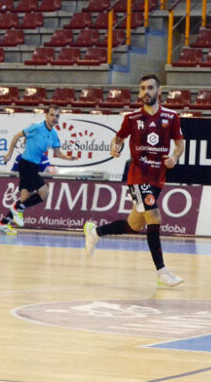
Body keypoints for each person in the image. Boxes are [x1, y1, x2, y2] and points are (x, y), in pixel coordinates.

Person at [83, 73, 185, 287]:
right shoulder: (131, 118)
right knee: (154, 218)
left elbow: (179, 144)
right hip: (138, 177)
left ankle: (95, 232)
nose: (145, 92)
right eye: (142, 88)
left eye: (150, 88)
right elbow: (119, 138)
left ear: (158, 91)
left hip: (158, 178)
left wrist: (174, 158)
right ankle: (162, 272)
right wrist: (115, 146)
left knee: (133, 226)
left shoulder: (171, 117)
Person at [0, 106, 76, 235]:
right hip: (26, 165)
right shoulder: (37, 128)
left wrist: (69, 158)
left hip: (34, 167)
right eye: (52, 115)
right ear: (46, 115)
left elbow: (57, 153)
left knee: (25, 197)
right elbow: (17, 136)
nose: (54, 118)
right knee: (44, 193)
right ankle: (18, 208)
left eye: (57, 116)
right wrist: (9, 154)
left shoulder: (54, 134)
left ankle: (3, 223)